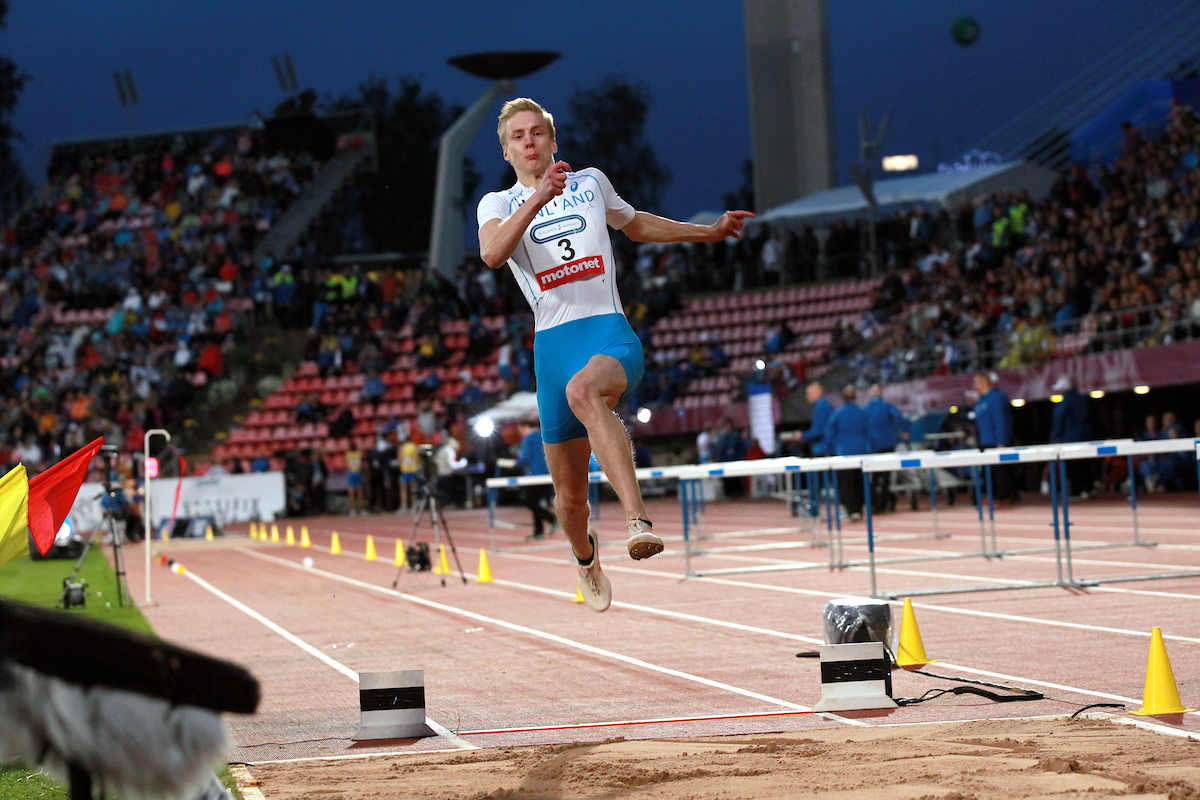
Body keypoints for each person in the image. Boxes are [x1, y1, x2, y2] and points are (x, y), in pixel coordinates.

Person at [477, 98, 753, 611]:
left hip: (608, 332)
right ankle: (585, 558)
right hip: (553, 346)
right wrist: (536, 200)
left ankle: (637, 521)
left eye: (538, 132)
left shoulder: (590, 183)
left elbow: (637, 224)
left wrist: (707, 232)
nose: (530, 141)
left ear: (553, 141)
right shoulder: (495, 204)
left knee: (584, 391)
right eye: (518, 136)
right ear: (507, 150)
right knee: (569, 501)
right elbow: (493, 254)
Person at [827, 385, 870, 521]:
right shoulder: (862, 412)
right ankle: (858, 509)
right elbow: (869, 431)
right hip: (860, 451)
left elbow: (829, 433)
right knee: (860, 481)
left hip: (844, 452)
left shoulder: (838, 413)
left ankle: (850, 510)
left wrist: (836, 445)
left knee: (846, 483)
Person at [973, 372, 1016, 502]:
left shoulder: (997, 398)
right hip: (984, 441)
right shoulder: (981, 400)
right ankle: (993, 495)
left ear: (985, 382)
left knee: (1001, 471)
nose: (975, 385)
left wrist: (1001, 441)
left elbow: (1000, 421)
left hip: (995, 441)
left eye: (977, 382)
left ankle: (1004, 496)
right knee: (988, 472)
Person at [1048, 375, 1093, 498]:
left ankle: (1077, 491)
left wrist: (1054, 438)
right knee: (1085, 465)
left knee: (1073, 467)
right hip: (1084, 437)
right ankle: (1089, 489)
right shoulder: (1082, 399)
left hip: (1070, 440)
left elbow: (1059, 421)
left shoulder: (1064, 402)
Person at [864, 384, 906, 512]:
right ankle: (883, 503)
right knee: (886, 476)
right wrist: (904, 430)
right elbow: (898, 417)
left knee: (875, 476)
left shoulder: (866, 409)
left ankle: (873, 503)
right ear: (881, 394)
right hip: (886, 444)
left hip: (872, 446)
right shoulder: (886, 406)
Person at [514, 419, 557, 539]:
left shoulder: (528, 438)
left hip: (534, 475)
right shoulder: (543, 435)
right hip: (547, 474)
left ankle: (552, 519)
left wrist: (515, 464)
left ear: (525, 427)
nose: (521, 433)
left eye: (520, 431)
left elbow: (526, 458)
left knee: (528, 501)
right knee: (535, 502)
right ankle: (538, 531)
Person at [399, 433, 419, 511]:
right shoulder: (414, 447)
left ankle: (404, 505)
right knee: (413, 488)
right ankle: (413, 505)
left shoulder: (402, 448)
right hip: (413, 469)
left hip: (405, 470)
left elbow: (400, 459)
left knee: (403, 489)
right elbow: (418, 459)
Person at [345, 442, 364, 515]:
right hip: (354, 473)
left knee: (357, 493)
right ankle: (355, 509)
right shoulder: (355, 453)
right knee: (355, 493)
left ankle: (357, 509)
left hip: (354, 473)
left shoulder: (350, 454)